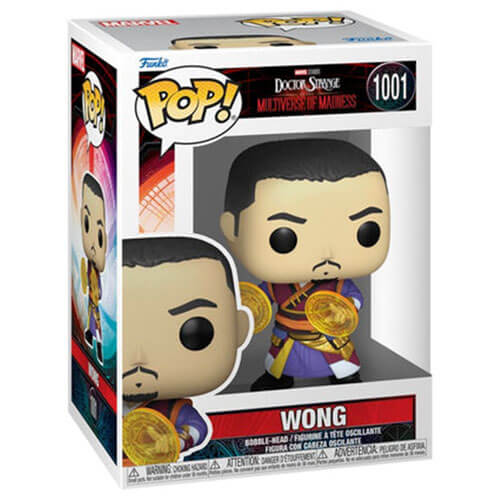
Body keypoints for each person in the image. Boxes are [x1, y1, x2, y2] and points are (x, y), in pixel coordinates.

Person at [220, 139, 390, 391]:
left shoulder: (339, 284)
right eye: (284, 237)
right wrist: (247, 312)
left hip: (329, 339)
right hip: (288, 338)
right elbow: (259, 301)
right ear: (232, 229)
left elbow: (354, 299)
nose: (326, 254)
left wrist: (342, 310)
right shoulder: (277, 285)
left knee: (341, 369)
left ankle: (346, 381)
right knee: (280, 367)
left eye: (366, 232)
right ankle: (278, 380)